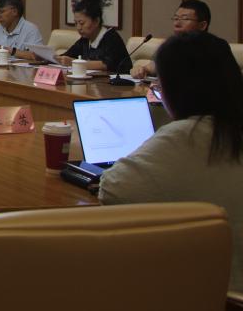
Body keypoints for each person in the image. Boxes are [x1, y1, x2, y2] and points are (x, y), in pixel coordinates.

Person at [99, 31, 243, 293]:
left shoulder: (186, 135)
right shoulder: (228, 127)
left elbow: (113, 189)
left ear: (175, 90)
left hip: (214, 294)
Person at [131, 0, 211, 78]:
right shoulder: (170, 47)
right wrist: (140, 69)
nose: (177, 24)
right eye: (176, 18)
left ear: (202, 26)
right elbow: (151, 68)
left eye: (185, 19)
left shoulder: (212, 51)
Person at [56, 0, 130, 73]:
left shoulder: (111, 37)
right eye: (76, 23)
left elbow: (106, 64)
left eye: (81, 23)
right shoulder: (84, 40)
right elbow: (67, 55)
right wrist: (52, 58)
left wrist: (73, 63)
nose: (78, 27)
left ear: (96, 21)